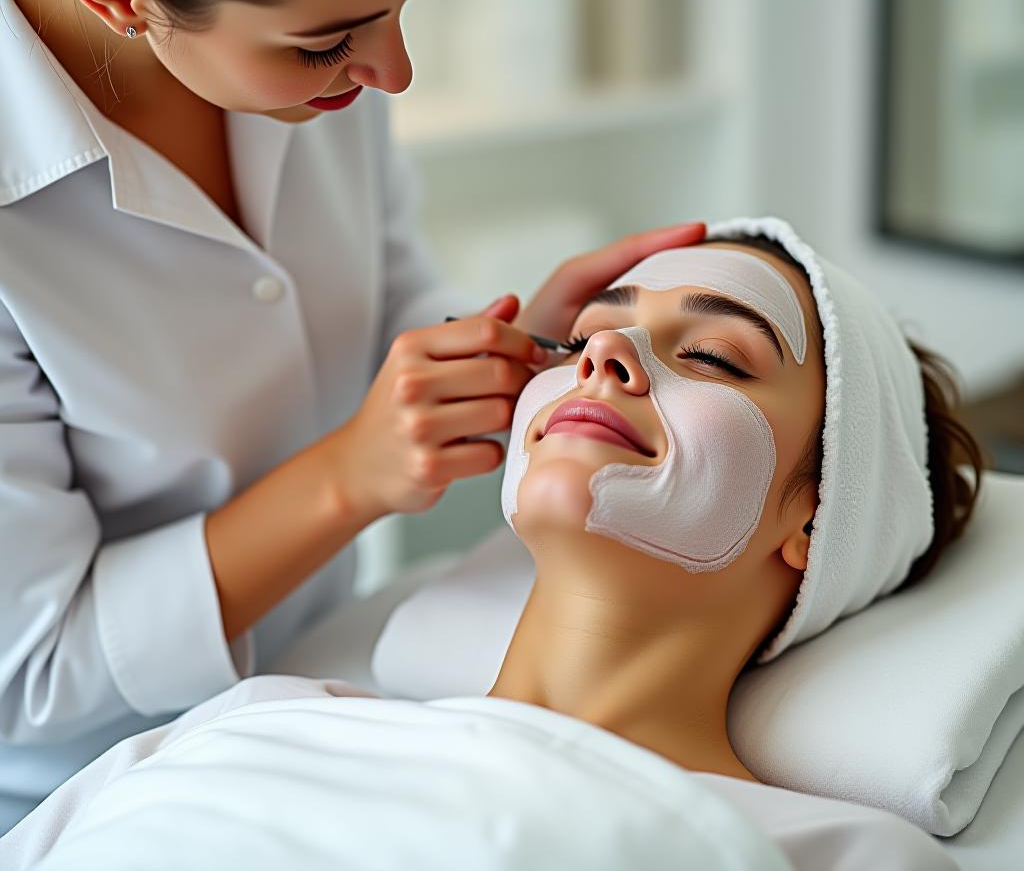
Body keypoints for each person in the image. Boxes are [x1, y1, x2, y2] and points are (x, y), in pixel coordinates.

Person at [0, 0, 708, 830]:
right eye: (326, 40)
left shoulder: (317, 66)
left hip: (310, 696)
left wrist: (526, 355)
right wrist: (348, 476)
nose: (393, 71)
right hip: (91, 795)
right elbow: (27, 672)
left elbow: (388, 325)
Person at [0, 221, 982, 871]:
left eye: (715, 356)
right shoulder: (255, 717)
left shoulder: (837, 852)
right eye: (583, 339)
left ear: (816, 517)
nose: (605, 355)